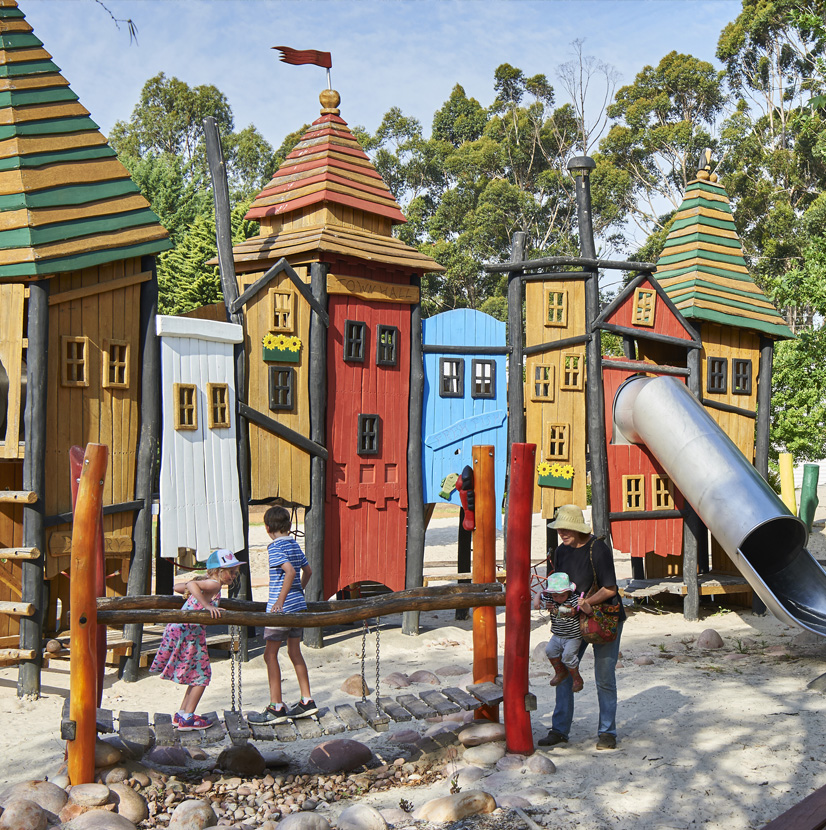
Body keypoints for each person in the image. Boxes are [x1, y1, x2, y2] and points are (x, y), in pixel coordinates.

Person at [538, 504, 625, 751]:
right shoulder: (560, 552)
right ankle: (559, 730)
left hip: (603, 620)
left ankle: (607, 732)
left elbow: (611, 589)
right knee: (564, 671)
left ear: (578, 527)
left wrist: (587, 603)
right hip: (572, 622)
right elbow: (556, 586)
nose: (562, 533)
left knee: (604, 677)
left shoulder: (598, 549)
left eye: (566, 528)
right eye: (559, 528)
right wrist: (548, 600)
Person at [150, 548, 241, 731]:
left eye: (234, 572)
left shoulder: (210, 583)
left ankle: (182, 713)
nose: (233, 575)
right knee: (202, 675)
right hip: (189, 631)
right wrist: (206, 604)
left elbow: (178, 588)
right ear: (217, 571)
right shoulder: (214, 585)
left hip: (183, 629)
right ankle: (188, 718)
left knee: (196, 673)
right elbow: (190, 587)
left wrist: (196, 584)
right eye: (230, 571)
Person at [249, 506, 317, 724]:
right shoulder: (294, 544)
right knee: (294, 651)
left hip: (281, 609)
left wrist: (280, 600)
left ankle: (276, 706)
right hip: (298, 607)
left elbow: (290, 571)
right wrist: (299, 591)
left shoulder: (275, 547)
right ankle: (307, 700)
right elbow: (308, 571)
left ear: (268, 528)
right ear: (288, 526)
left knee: (269, 655)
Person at [540, 571, 584, 692]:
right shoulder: (550, 598)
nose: (558, 599)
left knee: (568, 656)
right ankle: (560, 672)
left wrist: (555, 609)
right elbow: (540, 594)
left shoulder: (574, 599)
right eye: (555, 596)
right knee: (549, 650)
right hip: (557, 634)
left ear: (569, 592)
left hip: (572, 636)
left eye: (562, 596)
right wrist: (537, 601)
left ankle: (576, 678)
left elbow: (572, 611)